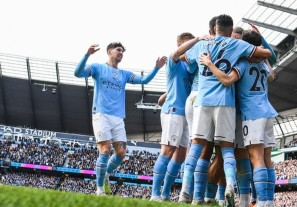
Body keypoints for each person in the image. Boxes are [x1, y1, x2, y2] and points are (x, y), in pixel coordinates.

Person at [179, 14, 272, 206]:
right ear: (230, 32)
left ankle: (191, 193)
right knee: (237, 153)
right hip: (240, 108)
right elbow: (270, 65)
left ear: (214, 29)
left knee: (202, 148)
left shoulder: (204, 46)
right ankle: (243, 195)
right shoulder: (242, 51)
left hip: (205, 100)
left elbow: (180, 57)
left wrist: (200, 45)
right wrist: (259, 41)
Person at [74, 42, 167, 196]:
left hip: (118, 117)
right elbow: (78, 73)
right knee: (105, 150)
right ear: (109, 51)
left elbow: (144, 81)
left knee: (121, 153)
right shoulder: (97, 68)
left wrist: (156, 67)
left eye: (122, 51)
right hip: (101, 114)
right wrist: (87, 55)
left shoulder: (124, 74)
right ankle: (99, 189)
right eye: (118, 50)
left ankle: (105, 174)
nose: (121, 53)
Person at [200, 30, 277, 207]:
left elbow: (227, 80)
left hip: (251, 114)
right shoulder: (264, 66)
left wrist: (210, 64)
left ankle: (261, 202)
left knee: (255, 158)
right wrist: (263, 51)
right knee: (267, 160)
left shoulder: (242, 64)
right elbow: (272, 76)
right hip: (268, 113)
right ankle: (269, 201)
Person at [151, 33, 210, 201]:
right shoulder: (174, 62)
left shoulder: (192, 67)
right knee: (168, 151)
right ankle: (154, 194)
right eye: (188, 46)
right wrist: (198, 40)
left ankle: (165, 194)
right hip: (173, 111)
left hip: (187, 113)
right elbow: (176, 55)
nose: (192, 49)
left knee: (180, 156)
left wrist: (165, 93)